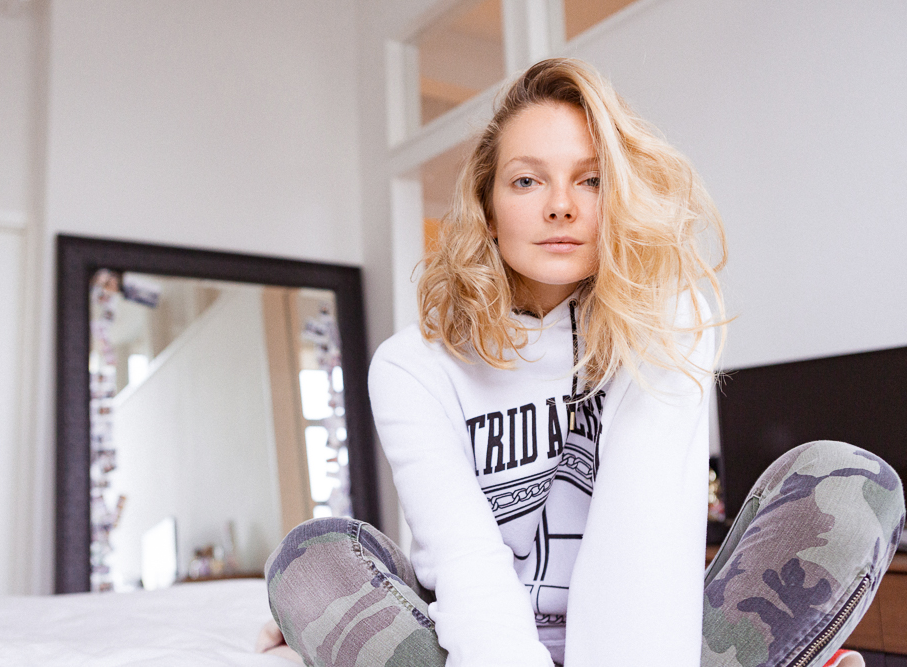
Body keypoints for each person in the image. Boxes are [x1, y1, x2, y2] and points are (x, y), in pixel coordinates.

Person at [258, 58, 905, 667]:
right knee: (309, 559)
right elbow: (466, 566)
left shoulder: (664, 318)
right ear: (488, 208)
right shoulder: (412, 365)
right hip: (476, 641)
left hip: (645, 633)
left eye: (591, 179)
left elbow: (645, 550)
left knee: (851, 484)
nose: (561, 205)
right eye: (527, 180)